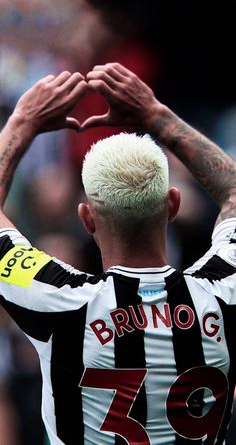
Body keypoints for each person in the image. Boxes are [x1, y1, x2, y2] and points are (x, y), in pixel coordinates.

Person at [0, 64, 235, 445]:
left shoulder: (59, 302)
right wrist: (156, 115)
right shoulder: (224, 292)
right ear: (173, 205)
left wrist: (23, 122)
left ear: (87, 218)